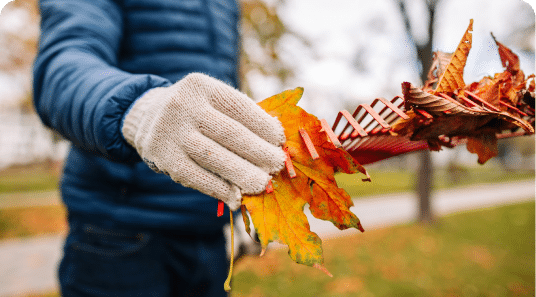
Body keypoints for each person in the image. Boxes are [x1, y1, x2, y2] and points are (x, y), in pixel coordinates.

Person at [32, 0, 286, 296]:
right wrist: (137, 109)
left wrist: (244, 205)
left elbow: (222, 91)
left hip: (209, 236)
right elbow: (62, 68)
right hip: (119, 235)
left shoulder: (225, 4)